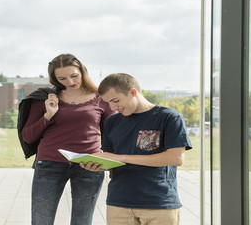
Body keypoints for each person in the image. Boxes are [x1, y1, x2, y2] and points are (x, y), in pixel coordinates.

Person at [81, 73, 193, 225]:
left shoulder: (169, 118)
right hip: (118, 202)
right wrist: (97, 164)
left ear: (133, 92)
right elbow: (110, 157)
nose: (113, 107)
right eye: (108, 103)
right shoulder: (111, 122)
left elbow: (175, 158)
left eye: (116, 100)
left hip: (158, 202)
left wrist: (121, 157)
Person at [20, 53, 114, 225]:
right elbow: (28, 136)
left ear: (82, 71)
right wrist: (48, 115)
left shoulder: (102, 98)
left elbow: (111, 135)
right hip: (49, 163)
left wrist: (111, 165)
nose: (70, 82)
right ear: (54, 79)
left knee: (82, 221)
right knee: (41, 220)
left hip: (90, 164)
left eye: (74, 76)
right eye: (62, 78)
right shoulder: (45, 98)